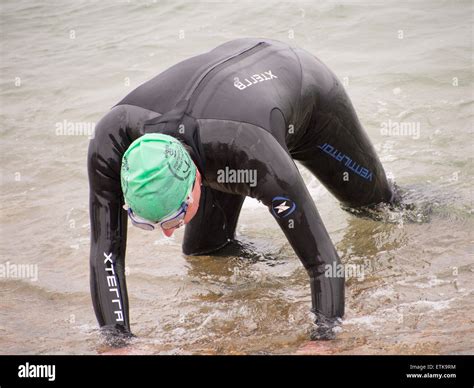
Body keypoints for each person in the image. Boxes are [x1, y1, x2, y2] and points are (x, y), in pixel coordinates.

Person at [88, 38, 396, 345]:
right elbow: (106, 252)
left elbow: (325, 263)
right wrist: (117, 341)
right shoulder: (112, 139)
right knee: (206, 251)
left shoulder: (253, 153)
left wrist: (323, 340)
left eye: (174, 217)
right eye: (146, 222)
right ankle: (273, 268)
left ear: (195, 181)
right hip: (221, 120)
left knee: (378, 208)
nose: (167, 233)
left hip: (307, 98)